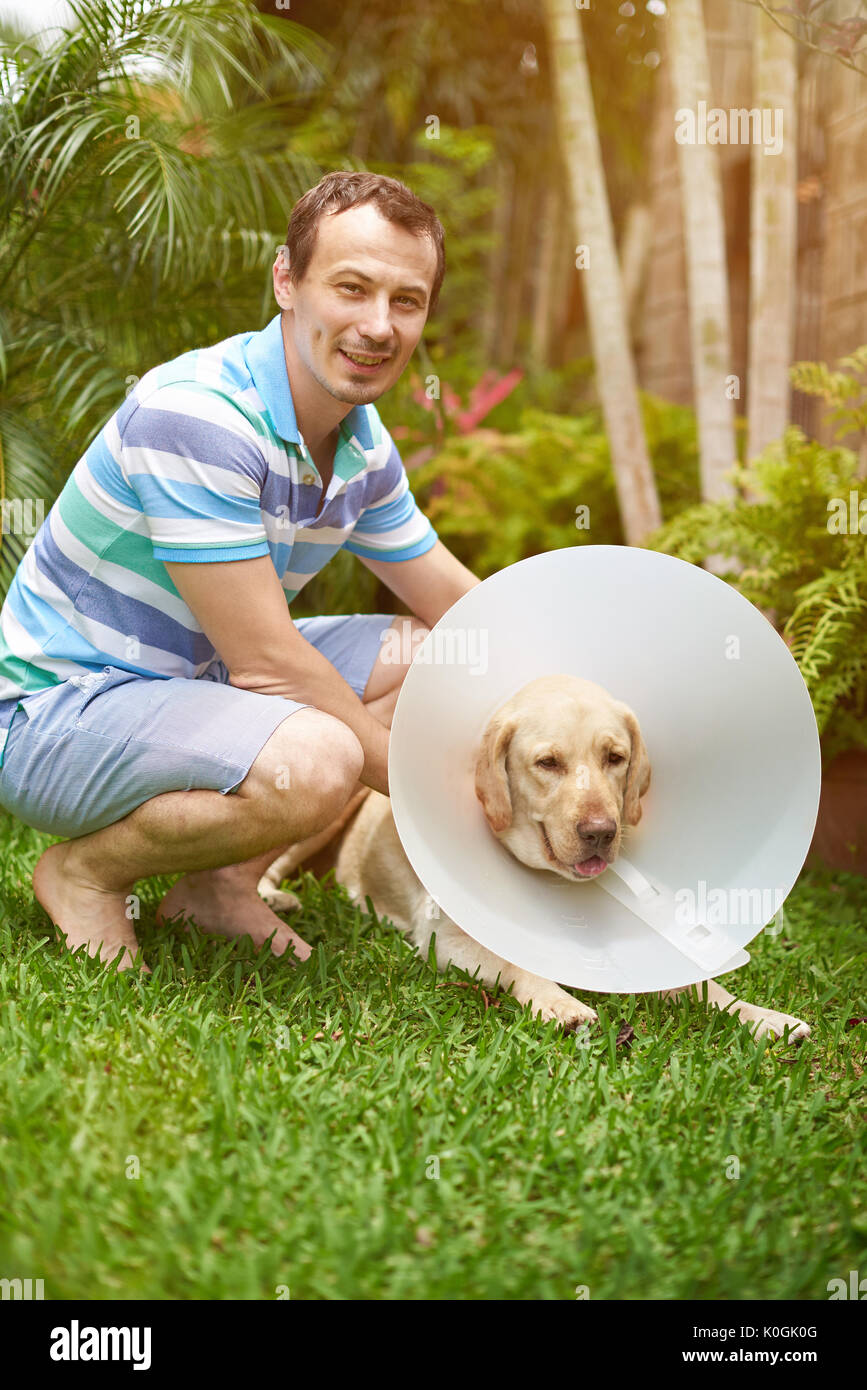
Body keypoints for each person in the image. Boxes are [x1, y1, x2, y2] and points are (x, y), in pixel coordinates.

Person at [0, 170, 481, 972]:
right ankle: (84, 873)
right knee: (320, 758)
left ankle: (220, 888)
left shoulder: (361, 445)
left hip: (191, 689)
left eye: (406, 300)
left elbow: (464, 607)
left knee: (441, 653)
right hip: (53, 716)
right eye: (352, 288)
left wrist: (586, 697)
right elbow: (266, 664)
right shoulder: (199, 415)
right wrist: (432, 793)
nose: (377, 325)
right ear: (286, 281)